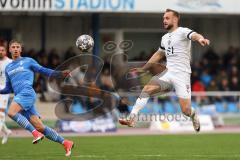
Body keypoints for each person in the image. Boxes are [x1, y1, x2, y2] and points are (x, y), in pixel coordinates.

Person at [119, 9, 210, 132]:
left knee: (186, 111)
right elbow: (158, 54)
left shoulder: (183, 31)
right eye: (163, 18)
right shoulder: (164, 38)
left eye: (167, 18)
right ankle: (132, 118)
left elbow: (194, 35)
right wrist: (144, 68)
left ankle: (193, 115)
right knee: (147, 89)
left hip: (182, 75)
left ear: (175, 19)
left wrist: (201, 39)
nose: (164, 21)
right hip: (168, 72)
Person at [0, 40, 74, 156]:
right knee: (40, 127)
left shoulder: (28, 61)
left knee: (11, 112)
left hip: (27, 92)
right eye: (13, 47)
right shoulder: (8, 68)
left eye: (17, 47)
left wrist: (60, 74)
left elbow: (43, 70)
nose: (15, 49)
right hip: (20, 96)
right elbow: (8, 89)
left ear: (20, 50)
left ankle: (35, 134)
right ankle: (65, 142)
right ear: (9, 50)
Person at [0, 44, 12, 144]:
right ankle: (6, 131)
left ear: (5, 51)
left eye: (2, 50)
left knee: (1, 112)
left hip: (5, 90)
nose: (0, 52)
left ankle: (2, 131)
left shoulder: (10, 62)